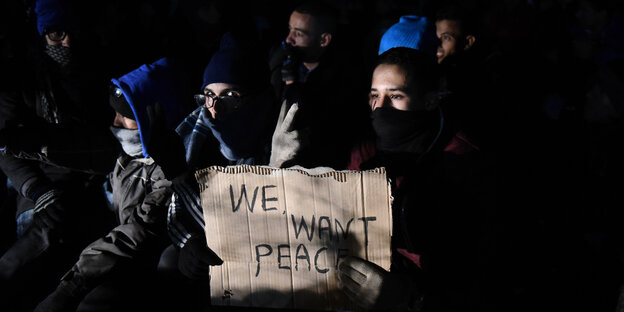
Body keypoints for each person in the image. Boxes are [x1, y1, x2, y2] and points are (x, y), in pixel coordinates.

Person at [33, 57, 193, 312]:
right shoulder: (129, 154)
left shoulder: (169, 170)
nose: (116, 123)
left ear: (151, 116)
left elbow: (137, 233)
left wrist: (73, 283)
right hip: (116, 257)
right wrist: (28, 146)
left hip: (146, 268)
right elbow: (81, 150)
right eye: (116, 114)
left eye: (126, 117)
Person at [338, 47, 491, 312]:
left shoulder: (461, 161)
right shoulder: (365, 153)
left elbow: (478, 266)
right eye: (375, 95)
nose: (381, 107)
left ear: (429, 101)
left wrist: (410, 296)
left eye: (395, 96)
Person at [0, 0, 120, 308]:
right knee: (35, 245)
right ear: (41, 36)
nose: (67, 42)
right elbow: (6, 147)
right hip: (43, 183)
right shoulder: (21, 80)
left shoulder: (101, 69)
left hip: (96, 179)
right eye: (56, 35)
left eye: (73, 33)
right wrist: (37, 190)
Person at [151, 31, 279, 309]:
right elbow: (179, 206)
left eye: (230, 95)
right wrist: (188, 243)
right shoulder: (194, 135)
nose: (214, 109)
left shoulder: (275, 143)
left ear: (257, 101)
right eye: (208, 95)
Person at [268, 1, 369, 170]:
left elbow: (311, 121)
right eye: (289, 29)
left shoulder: (344, 78)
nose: (288, 39)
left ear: (324, 40)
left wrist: (292, 84)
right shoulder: (283, 61)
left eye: (298, 34)